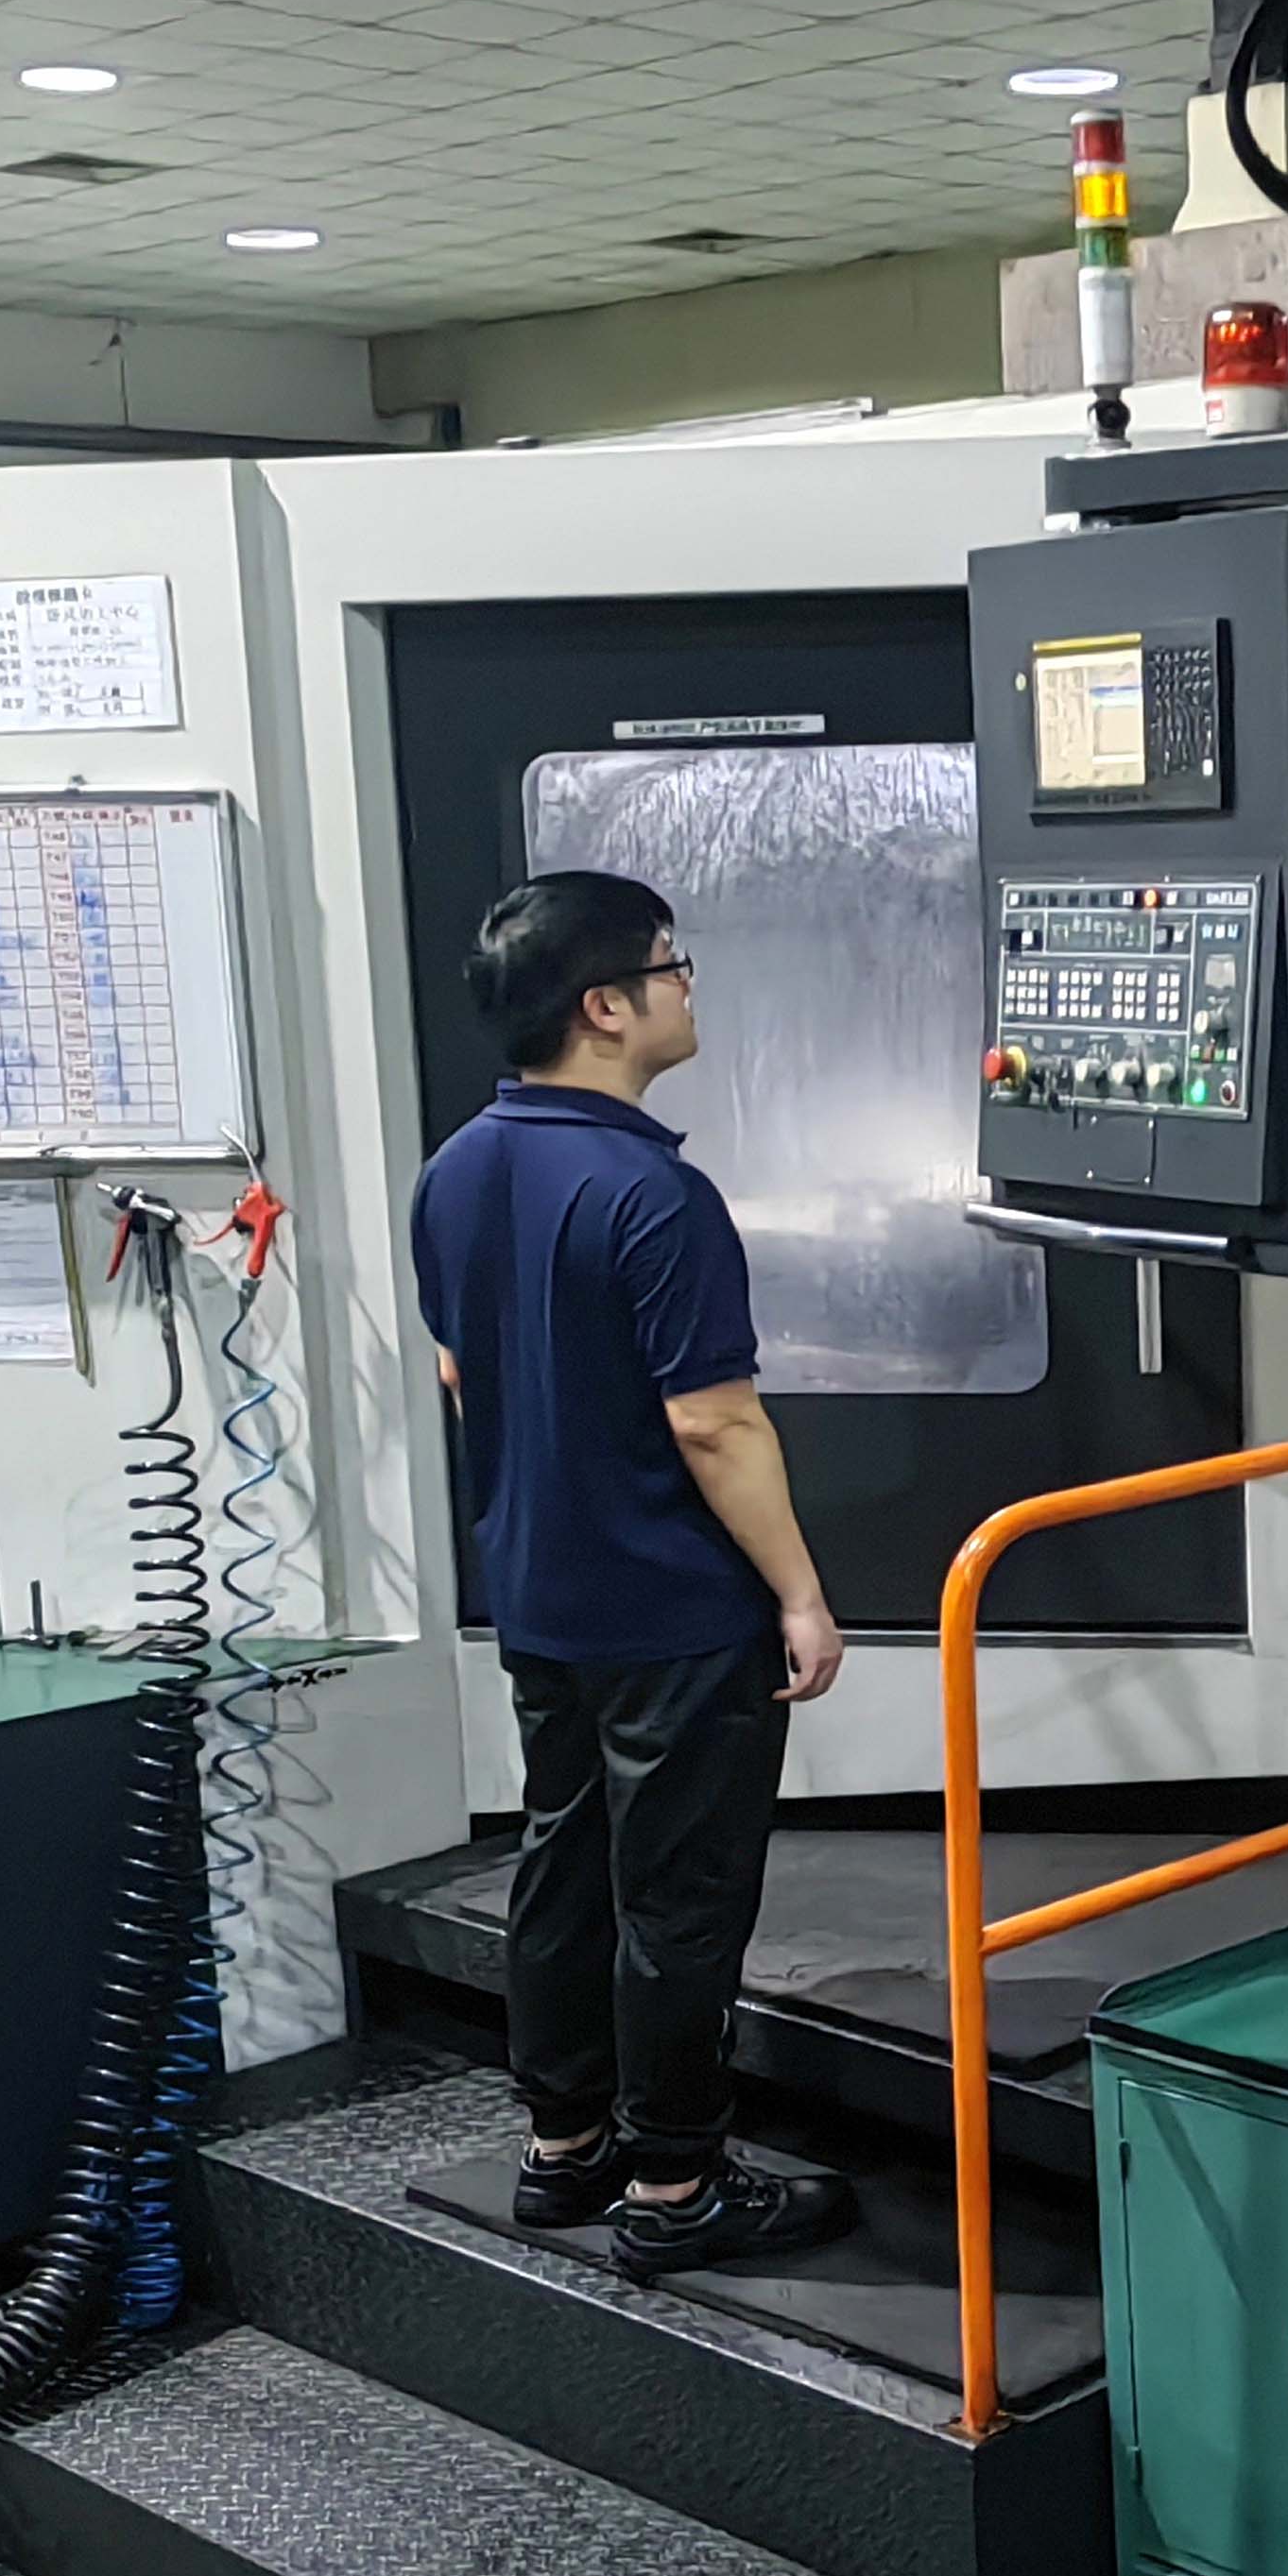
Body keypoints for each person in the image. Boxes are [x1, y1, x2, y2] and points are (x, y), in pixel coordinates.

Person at [408, 870, 858, 2277]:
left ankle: (566, 2148)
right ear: (604, 1006)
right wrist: (799, 1595)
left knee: (563, 1862)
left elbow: (462, 1372)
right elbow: (714, 1423)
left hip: (541, 1595)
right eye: (672, 966)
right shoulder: (656, 1195)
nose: (687, 987)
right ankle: (676, 2186)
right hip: (674, 1612)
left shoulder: (453, 1171)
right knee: (679, 1899)